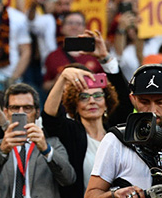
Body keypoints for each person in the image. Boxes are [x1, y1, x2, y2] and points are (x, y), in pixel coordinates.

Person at [85, 64, 162, 198]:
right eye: (144, 101)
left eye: (160, 101)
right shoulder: (115, 140)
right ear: (132, 99)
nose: (152, 110)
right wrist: (114, 195)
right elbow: (90, 195)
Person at [0, 83, 76, 197]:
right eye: (15, 108)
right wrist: (2, 152)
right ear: (5, 112)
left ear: (37, 112)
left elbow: (69, 179)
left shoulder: (53, 144)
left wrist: (46, 150)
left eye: (27, 108)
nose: (21, 112)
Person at [42, 65, 119, 198]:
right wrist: (62, 78)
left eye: (98, 96)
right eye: (83, 97)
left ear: (106, 102)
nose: (91, 101)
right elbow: (50, 117)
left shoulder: (117, 135)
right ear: (75, 106)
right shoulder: (71, 132)